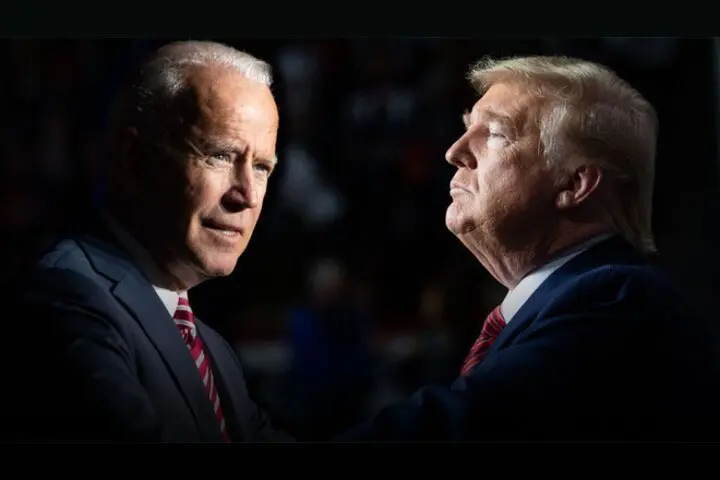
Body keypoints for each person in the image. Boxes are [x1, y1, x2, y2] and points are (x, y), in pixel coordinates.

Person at [337, 55, 720, 441]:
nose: (455, 151)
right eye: (468, 128)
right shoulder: (569, 304)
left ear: (574, 184)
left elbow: (463, 430)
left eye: (496, 133)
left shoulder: (622, 300)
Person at [3, 40, 294, 442]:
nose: (246, 194)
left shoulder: (212, 350)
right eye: (221, 155)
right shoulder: (69, 298)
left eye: (261, 167)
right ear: (133, 159)